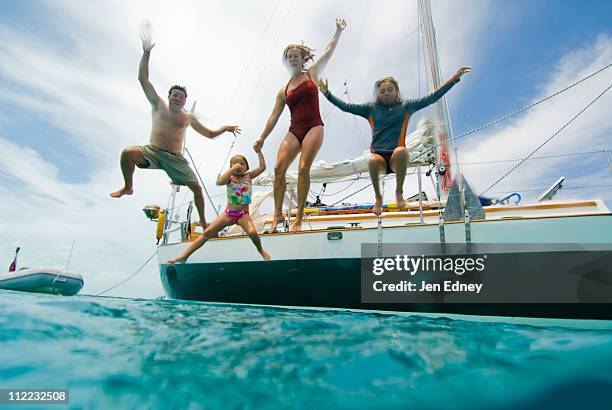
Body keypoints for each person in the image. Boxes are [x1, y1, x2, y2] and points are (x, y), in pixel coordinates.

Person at [110, 26, 240, 228]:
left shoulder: (187, 118)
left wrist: (224, 128)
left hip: (175, 159)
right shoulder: (158, 105)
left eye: (181, 97)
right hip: (152, 152)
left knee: (197, 188)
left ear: (184, 100)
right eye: (174, 95)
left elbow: (210, 134)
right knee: (127, 153)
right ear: (169, 97)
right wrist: (146, 53)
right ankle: (128, 186)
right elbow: (143, 80)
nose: (177, 98)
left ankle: (204, 222)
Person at [319, 66, 471, 215]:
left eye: (390, 90)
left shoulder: (406, 106)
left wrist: (453, 80)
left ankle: (399, 193)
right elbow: (346, 107)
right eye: (382, 91)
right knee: (372, 160)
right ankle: (378, 198)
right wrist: (327, 93)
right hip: (379, 160)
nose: (386, 93)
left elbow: (432, 98)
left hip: (396, 159)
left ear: (396, 91)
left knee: (402, 151)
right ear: (378, 94)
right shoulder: (370, 109)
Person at [253, 18, 347, 232]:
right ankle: (277, 215)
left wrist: (338, 31)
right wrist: (261, 138)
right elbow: (273, 117)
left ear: (303, 59)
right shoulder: (283, 90)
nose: (293, 59)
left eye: (296, 56)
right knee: (278, 169)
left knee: (303, 168)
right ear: (286, 61)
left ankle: (299, 218)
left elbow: (328, 51)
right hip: (294, 130)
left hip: (314, 126)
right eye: (289, 57)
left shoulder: (312, 74)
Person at [168, 147, 270, 263]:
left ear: (246, 167)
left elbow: (262, 167)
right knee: (207, 233)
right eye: (234, 163)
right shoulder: (229, 178)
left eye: (241, 164)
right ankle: (184, 256)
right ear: (230, 167)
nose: (238, 165)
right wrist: (232, 170)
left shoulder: (248, 176)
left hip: (243, 214)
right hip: (228, 214)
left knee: (252, 232)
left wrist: (259, 151)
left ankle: (261, 250)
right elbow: (219, 182)